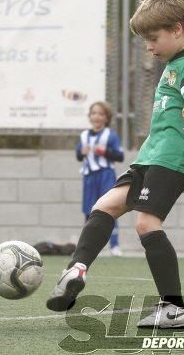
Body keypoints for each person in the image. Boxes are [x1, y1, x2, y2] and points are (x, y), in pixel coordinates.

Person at [46, 0, 184, 329]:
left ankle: (174, 307)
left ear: (176, 30)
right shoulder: (172, 63)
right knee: (104, 206)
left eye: (153, 38)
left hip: (175, 156)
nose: (150, 47)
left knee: (145, 223)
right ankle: (74, 271)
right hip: (153, 154)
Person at [76, 101, 124, 256]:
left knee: (110, 208)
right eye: (94, 113)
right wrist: (82, 152)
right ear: (89, 116)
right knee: (89, 210)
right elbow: (78, 155)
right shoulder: (84, 135)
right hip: (89, 176)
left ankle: (114, 245)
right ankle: (86, 246)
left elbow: (120, 155)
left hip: (105, 175)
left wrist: (105, 152)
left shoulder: (110, 135)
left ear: (106, 118)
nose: (97, 117)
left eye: (101, 114)